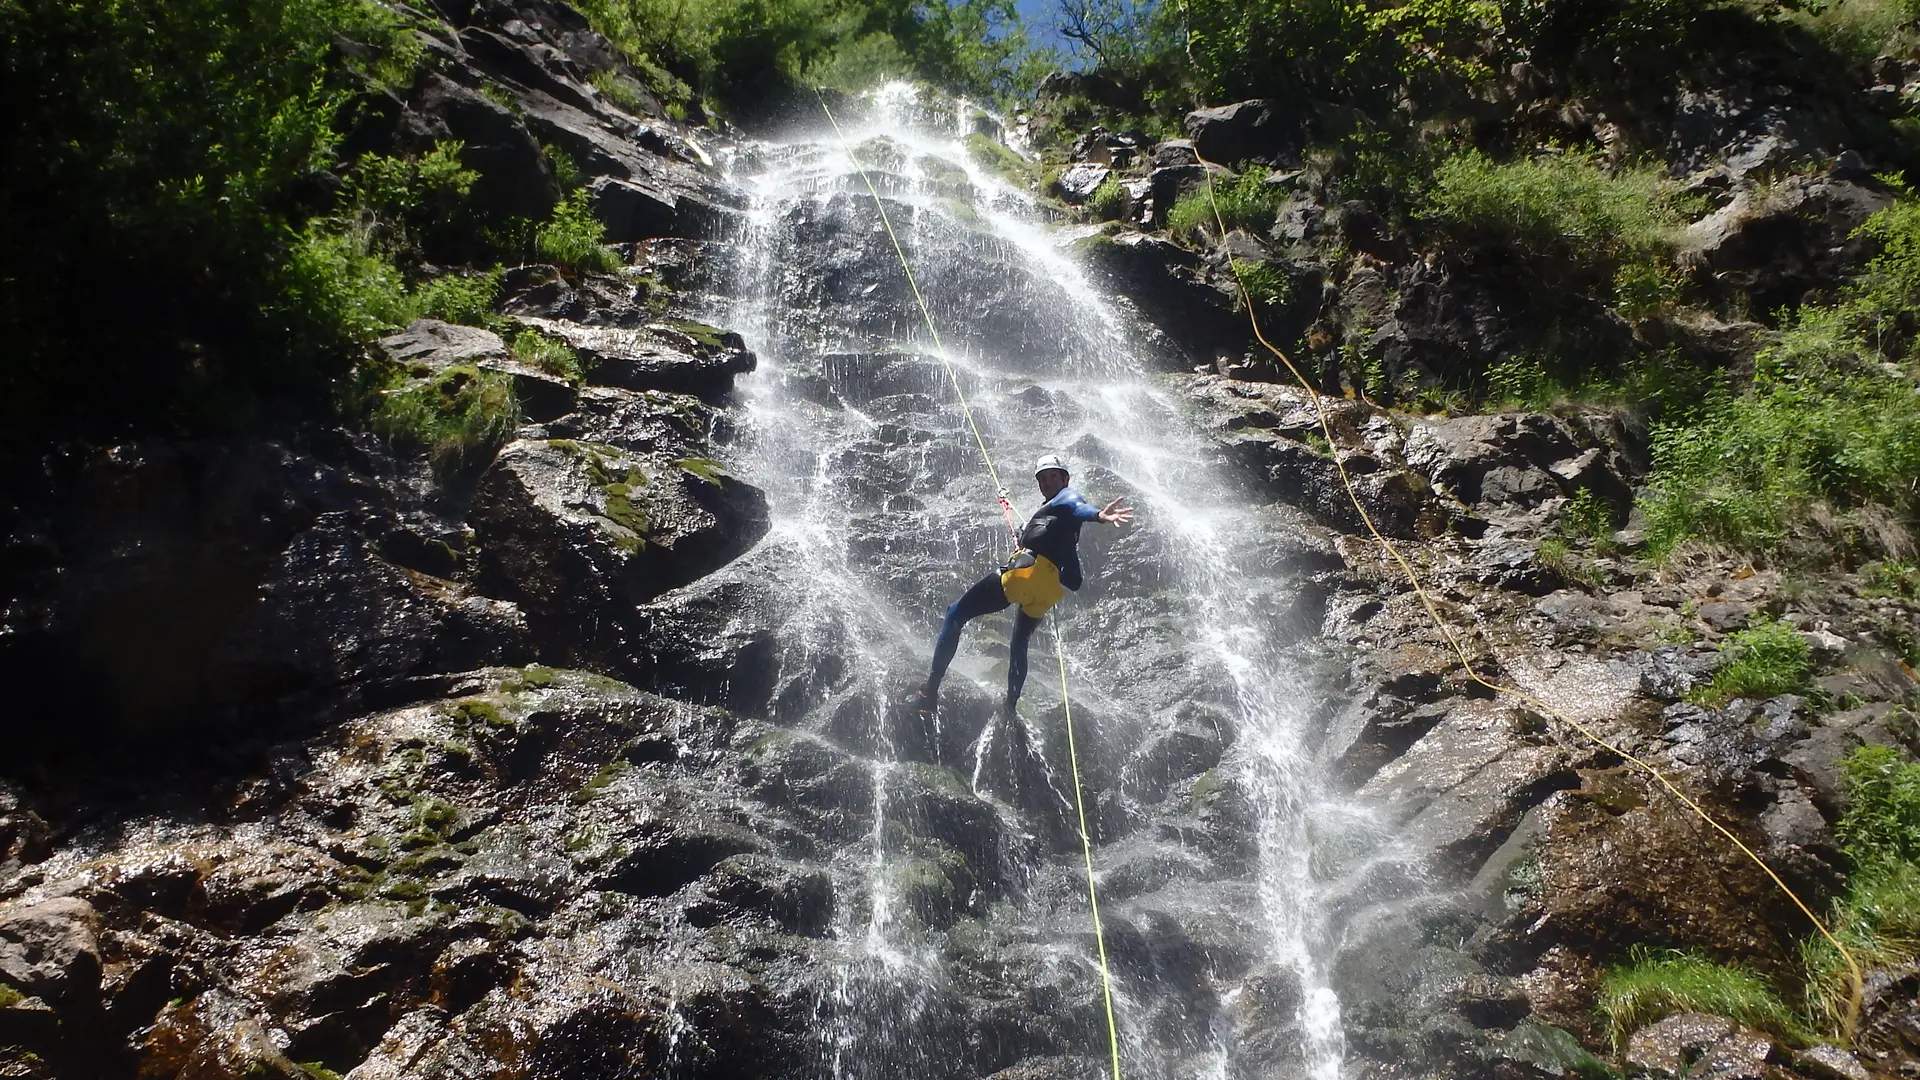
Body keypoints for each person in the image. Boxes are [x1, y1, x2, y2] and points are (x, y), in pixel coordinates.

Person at [914, 453, 1133, 718]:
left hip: (1025, 575)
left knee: (955, 613)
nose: (1048, 482)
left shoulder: (1068, 497)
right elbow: (1073, 580)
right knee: (1020, 641)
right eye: (1043, 478)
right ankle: (1009, 705)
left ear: (1065, 478)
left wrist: (1098, 515)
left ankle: (930, 692)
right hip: (1047, 592)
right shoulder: (1061, 526)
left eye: (1053, 476)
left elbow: (1079, 508)